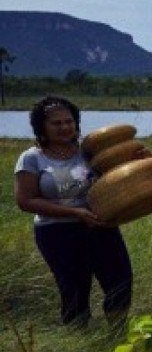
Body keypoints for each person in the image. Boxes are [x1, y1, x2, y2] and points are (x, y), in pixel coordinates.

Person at [13, 96, 133, 327]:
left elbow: (119, 176)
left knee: (120, 283)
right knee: (74, 290)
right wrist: (76, 213)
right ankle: (79, 340)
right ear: (42, 128)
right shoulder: (32, 158)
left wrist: (136, 159)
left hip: (100, 226)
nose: (65, 127)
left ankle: (117, 332)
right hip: (57, 233)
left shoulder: (90, 152)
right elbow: (25, 200)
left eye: (69, 121)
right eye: (56, 123)